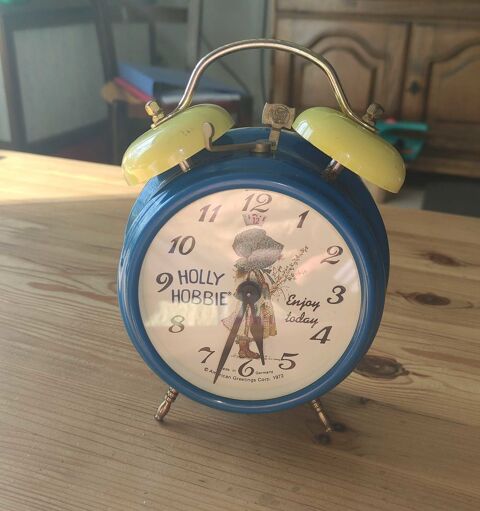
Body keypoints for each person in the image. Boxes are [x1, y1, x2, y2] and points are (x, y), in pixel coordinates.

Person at [222, 228, 283, 359]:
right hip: (248, 306)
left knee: (247, 327)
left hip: (252, 304)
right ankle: (243, 350)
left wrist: (264, 287)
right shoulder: (248, 270)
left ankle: (244, 349)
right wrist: (262, 288)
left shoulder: (253, 270)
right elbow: (245, 288)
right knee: (245, 326)